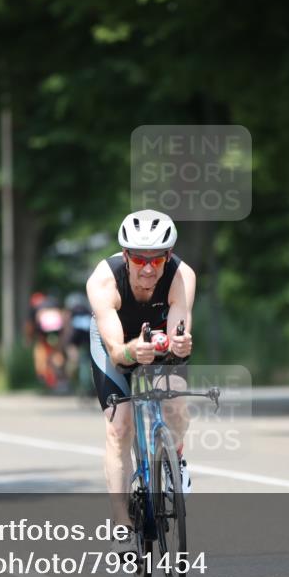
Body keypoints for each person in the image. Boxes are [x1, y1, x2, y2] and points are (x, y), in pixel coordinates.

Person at [85, 210, 195, 553]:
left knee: (176, 399)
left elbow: (178, 335)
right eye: (138, 259)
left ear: (169, 256)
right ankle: (121, 522)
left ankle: (176, 459)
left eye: (157, 259)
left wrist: (180, 345)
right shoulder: (103, 281)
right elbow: (118, 352)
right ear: (125, 255)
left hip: (157, 339)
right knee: (120, 427)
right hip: (116, 345)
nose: (148, 269)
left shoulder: (182, 275)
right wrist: (133, 351)